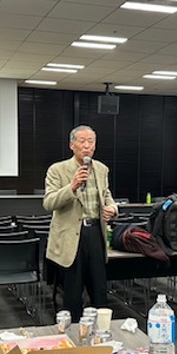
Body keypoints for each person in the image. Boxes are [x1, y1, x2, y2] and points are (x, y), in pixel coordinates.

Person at [44, 125, 117, 321]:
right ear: (72, 145)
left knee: (99, 290)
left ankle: (102, 330)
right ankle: (72, 331)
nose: (87, 146)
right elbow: (49, 202)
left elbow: (106, 195)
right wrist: (72, 186)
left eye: (90, 142)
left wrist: (112, 208)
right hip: (71, 236)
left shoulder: (101, 169)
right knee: (72, 293)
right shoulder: (57, 170)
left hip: (95, 233)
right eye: (82, 141)